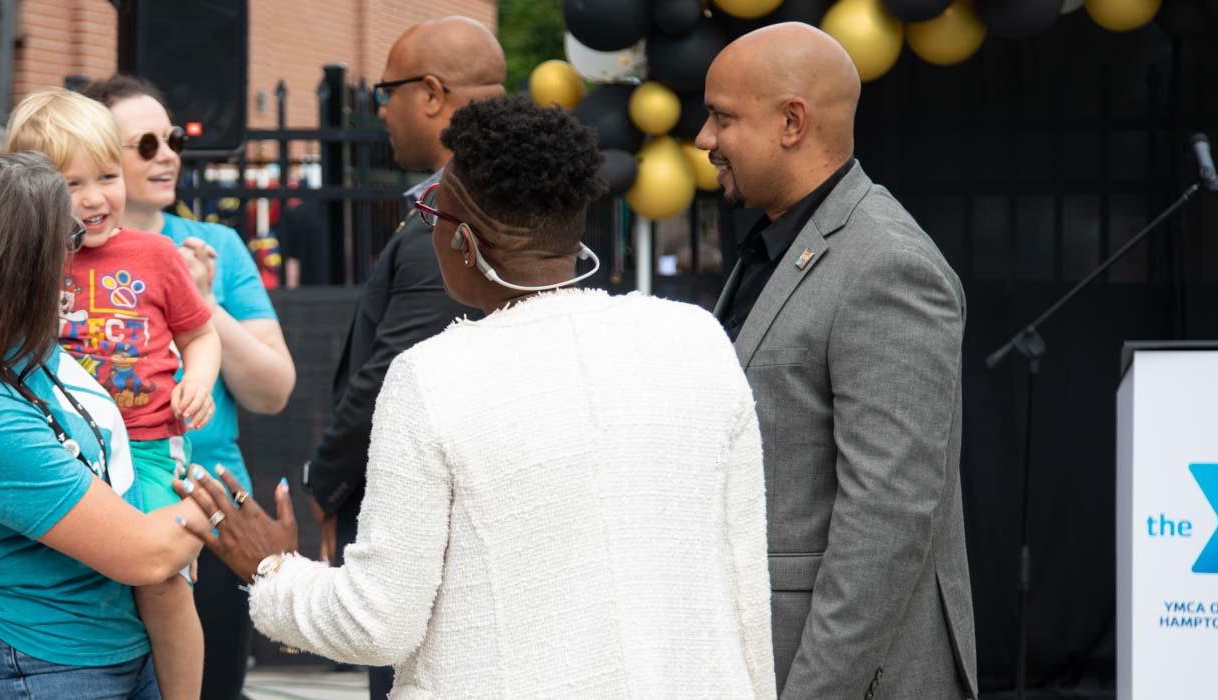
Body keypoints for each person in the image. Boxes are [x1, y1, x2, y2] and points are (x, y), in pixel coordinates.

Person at [177, 97, 777, 700]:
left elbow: (376, 622)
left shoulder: (432, 377)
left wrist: (270, 570)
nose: (426, 223)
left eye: (431, 209)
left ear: (463, 241)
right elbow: (748, 582)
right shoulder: (694, 339)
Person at [698, 23, 978, 700]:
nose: (705, 140)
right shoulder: (777, 242)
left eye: (722, 118)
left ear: (792, 122)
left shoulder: (889, 266)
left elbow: (885, 524)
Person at [0, 152, 211, 699]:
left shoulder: (25, 349)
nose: (76, 261)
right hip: (42, 670)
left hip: (115, 652)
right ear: (13, 269)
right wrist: (212, 500)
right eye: (63, 242)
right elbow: (145, 553)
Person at [296, 17, 498, 697]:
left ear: (434, 93)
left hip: (429, 537)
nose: (380, 107)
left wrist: (323, 485)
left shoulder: (453, 220)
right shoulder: (506, 203)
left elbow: (390, 378)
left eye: (388, 91)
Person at [82, 74, 297, 700]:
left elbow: (273, 389)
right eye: (144, 144)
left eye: (171, 138)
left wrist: (202, 305)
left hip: (209, 511)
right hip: (94, 512)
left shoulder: (218, 245)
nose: (169, 154)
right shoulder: (59, 251)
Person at [12, 89, 220, 700]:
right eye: (72, 184)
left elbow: (201, 334)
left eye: (106, 176)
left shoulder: (155, 255)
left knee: (164, 580)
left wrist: (198, 382)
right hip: (63, 454)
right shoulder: (29, 262)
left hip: (151, 445)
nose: (96, 198)